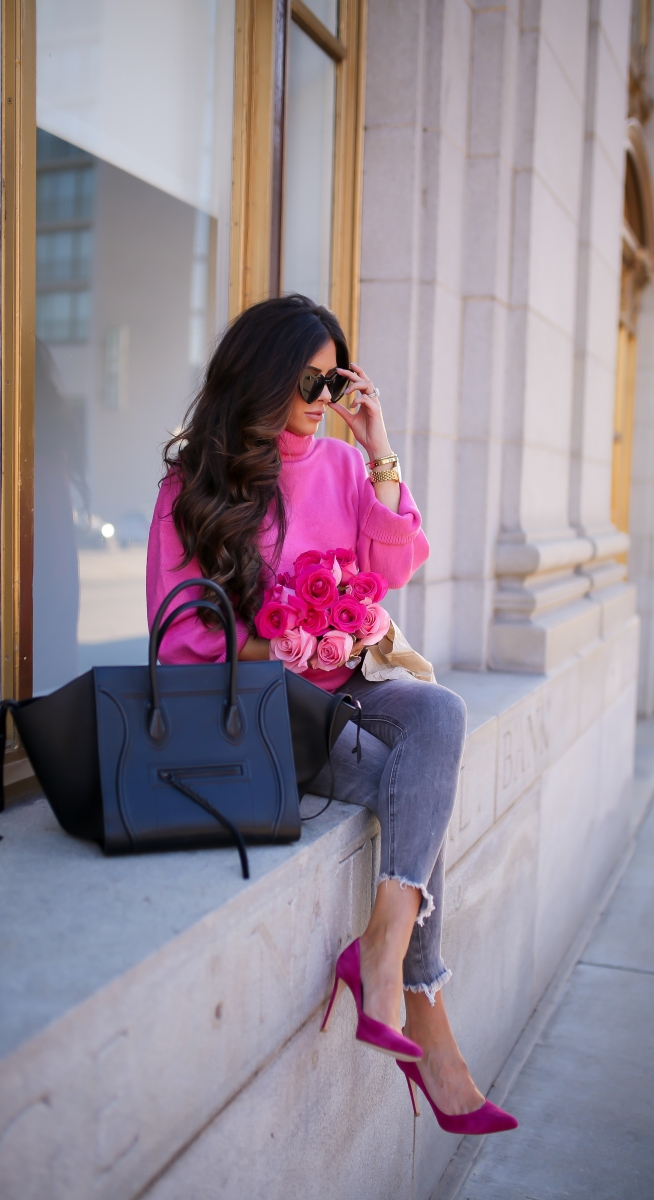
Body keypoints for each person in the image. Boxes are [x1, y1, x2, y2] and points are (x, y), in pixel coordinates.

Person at [146, 294, 517, 1136]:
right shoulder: (191, 487)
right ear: (264, 376)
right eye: (307, 381)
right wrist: (279, 638)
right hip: (264, 715)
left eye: (333, 380)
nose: (320, 399)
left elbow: (395, 568)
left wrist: (379, 450)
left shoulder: (347, 467)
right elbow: (180, 651)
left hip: (346, 685)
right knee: (412, 784)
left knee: (439, 716)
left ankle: (382, 949)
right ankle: (430, 1025)